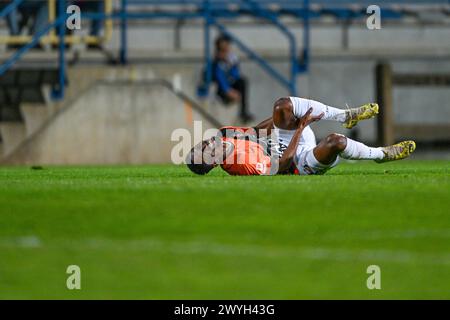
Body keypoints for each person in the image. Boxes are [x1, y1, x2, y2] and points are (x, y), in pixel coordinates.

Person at [186, 99, 416, 176]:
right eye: (203, 150)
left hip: (285, 142)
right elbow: (282, 165)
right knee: (336, 142)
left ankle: (346, 115)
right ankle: (382, 154)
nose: (204, 143)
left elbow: (257, 131)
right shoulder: (240, 164)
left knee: (282, 105)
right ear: (213, 161)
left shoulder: (225, 135)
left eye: (200, 144)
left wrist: (281, 122)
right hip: (296, 163)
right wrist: (299, 128)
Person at [213, 34, 253, 124]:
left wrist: (231, 64)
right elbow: (219, 78)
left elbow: (236, 75)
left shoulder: (231, 58)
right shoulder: (217, 61)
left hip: (231, 84)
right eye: (224, 44)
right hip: (222, 89)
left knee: (242, 81)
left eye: (227, 44)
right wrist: (228, 91)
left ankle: (243, 113)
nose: (227, 46)